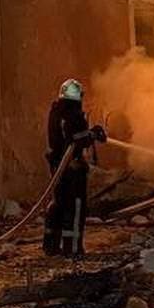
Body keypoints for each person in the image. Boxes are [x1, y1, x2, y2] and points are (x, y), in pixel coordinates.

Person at [44, 79, 105, 256]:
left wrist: (90, 134)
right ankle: (72, 248)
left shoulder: (56, 111)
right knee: (75, 206)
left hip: (58, 165)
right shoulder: (73, 114)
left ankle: (51, 245)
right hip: (71, 167)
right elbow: (76, 138)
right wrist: (93, 134)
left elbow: (68, 137)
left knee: (58, 203)